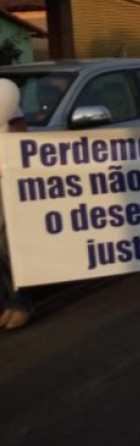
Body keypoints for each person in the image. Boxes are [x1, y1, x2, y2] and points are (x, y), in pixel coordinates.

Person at [0, 101, 33, 330]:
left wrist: (9, 163)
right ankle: (6, 305)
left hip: (4, 178)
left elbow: (20, 132)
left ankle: (21, 305)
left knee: (6, 244)